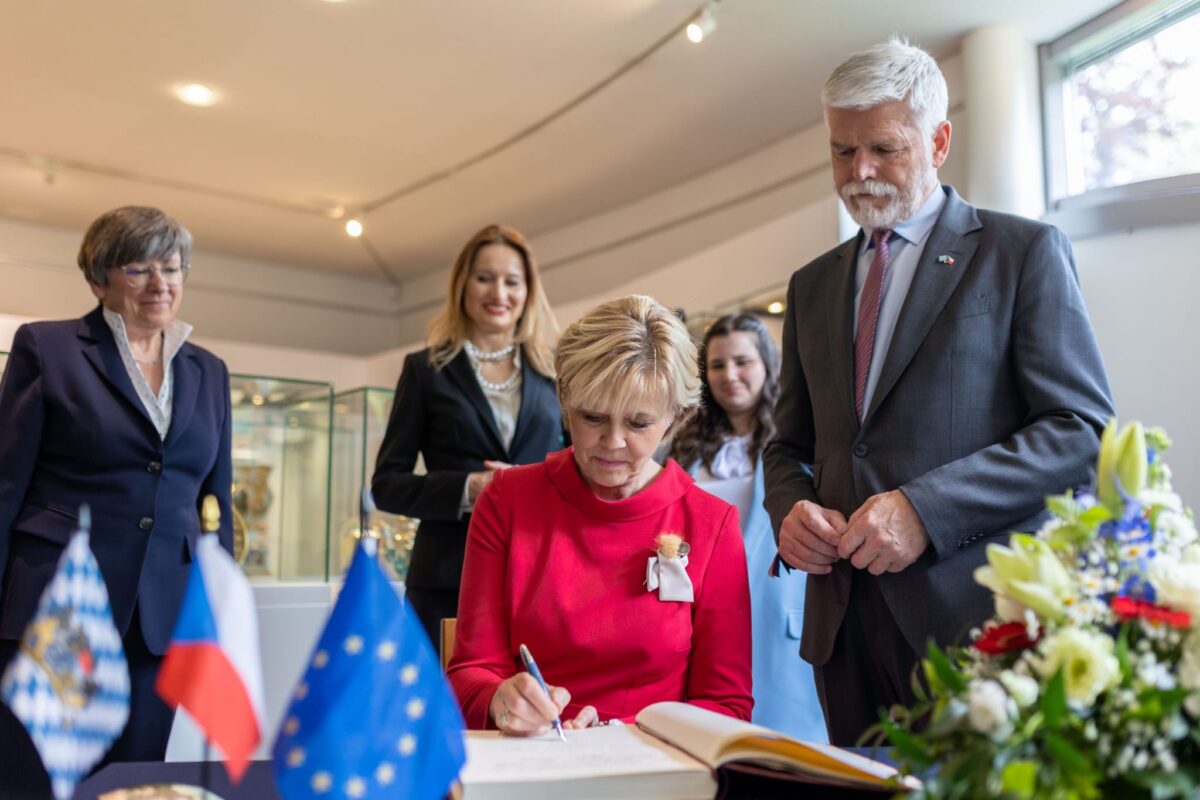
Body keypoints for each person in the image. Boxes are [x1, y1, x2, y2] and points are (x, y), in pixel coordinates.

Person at [762, 38, 1115, 745]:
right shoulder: (811, 285)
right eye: (841, 151)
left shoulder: (1022, 253)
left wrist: (926, 509)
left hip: (975, 621)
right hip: (843, 635)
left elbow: (1078, 430)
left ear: (939, 140)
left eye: (883, 149)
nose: (859, 171)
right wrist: (789, 508)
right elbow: (790, 446)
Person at [0, 206, 234, 785]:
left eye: (173, 267)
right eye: (138, 268)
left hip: (162, 620)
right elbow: (5, 486)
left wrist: (219, 605)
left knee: (134, 784)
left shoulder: (211, 371)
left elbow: (215, 504)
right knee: (40, 778)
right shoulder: (47, 348)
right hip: (60, 608)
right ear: (98, 279)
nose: (161, 284)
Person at [448, 295, 752, 732]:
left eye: (639, 423)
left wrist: (618, 733)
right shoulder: (506, 501)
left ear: (677, 419)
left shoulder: (712, 524)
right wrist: (501, 699)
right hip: (532, 756)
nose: (612, 442)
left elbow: (727, 704)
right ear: (564, 400)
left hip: (653, 769)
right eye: (592, 417)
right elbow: (469, 674)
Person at [372, 224, 564, 645]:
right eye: (485, 277)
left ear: (528, 291)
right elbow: (387, 485)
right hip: (447, 581)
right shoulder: (425, 370)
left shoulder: (555, 374)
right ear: (463, 285)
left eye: (512, 281)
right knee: (448, 710)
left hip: (541, 579)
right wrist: (470, 488)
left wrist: (531, 485)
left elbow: (578, 469)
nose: (499, 292)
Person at [670, 313, 826, 742]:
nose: (730, 375)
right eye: (717, 365)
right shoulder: (686, 445)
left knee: (782, 736)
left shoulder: (798, 442)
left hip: (774, 605)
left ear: (768, 365)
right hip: (701, 603)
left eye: (743, 361)